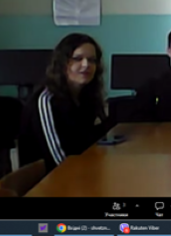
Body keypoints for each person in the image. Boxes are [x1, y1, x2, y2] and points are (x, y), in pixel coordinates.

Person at [18, 33, 113, 173]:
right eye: (78, 59)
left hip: (83, 173)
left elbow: (97, 141)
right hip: (53, 180)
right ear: (62, 63)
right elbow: (58, 159)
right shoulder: (46, 100)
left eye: (92, 60)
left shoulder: (87, 97)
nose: (86, 65)